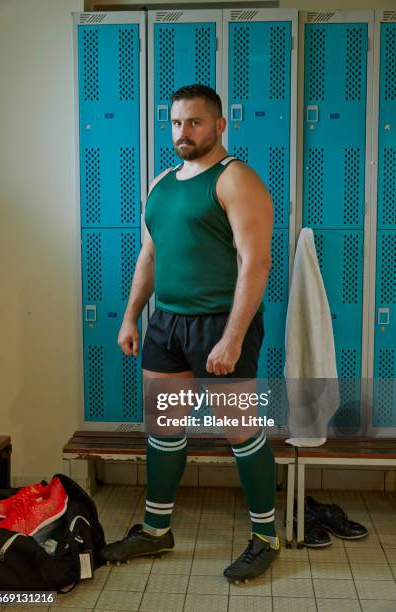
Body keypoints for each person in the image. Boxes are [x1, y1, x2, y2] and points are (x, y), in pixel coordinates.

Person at [101, 84, 278, 582]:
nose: (183, 132)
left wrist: (233, 337)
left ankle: (266, 536)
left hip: (220, 323)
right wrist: (131, 315)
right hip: (167, 324)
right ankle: (157, 531)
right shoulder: (162, 182)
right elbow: (151, 256)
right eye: (177, 123)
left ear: (220, 125)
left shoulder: (236, 179)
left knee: (241, 431)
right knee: (163, 429)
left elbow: (255, 262)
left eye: (195, 122)